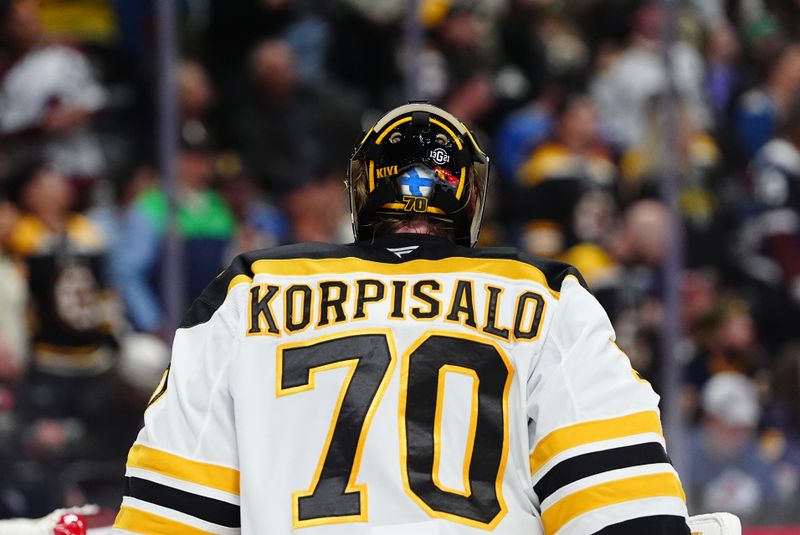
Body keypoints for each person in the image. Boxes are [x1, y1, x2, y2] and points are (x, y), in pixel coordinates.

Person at [111, 103, 690, 534]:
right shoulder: (547, 297)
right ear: (469, 196)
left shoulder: (246, 291)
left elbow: (169, 518)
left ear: (361, 193)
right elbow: (626, 513)